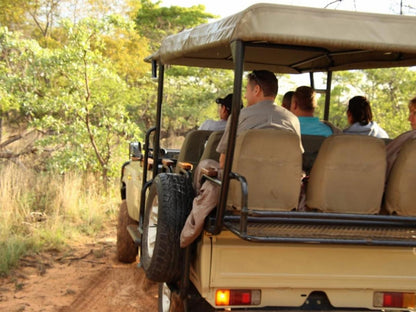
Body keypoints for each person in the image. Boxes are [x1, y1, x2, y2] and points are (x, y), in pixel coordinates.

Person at [180, 70, 302, 247]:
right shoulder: (292, 119)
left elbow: (223, 162)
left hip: (241, 193)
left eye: (246, 89)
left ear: (257, 90)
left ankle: (191, 229)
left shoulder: (240, 116)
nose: (245, 94)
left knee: (206, 165)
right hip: (280, 194)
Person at [385, 96, 416, 178]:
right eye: (410, 113)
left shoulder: (410, 138)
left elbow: (382, 161)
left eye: (415, 113)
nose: (409, 119)